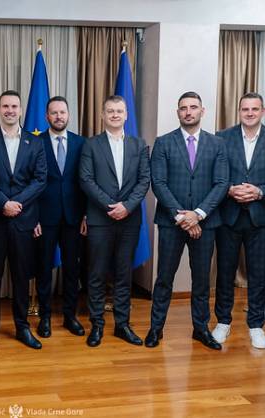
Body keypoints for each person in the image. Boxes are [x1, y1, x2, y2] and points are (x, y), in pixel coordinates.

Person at [146, 91, 229, 350]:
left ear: (202, 111)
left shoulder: (217, 144)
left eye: (193, 107)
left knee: (202, 280)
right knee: (164, 279)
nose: (188, 112)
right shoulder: (163, 143)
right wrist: (183, 217)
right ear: (178, 112)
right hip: (171, 223)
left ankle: (201, 329)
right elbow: (158, 183)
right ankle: (156, 328)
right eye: (183, 108)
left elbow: (221, 183)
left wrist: (198, 215)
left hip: (206, 223)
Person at [212, 92, 265, 349]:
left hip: (261, 216)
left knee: (257, 273)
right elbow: (215, 173)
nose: (249, 113)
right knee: (225, 272)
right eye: (245, 109)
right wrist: (229, 189)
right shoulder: (222, 137)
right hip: (229, 215)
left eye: (254, 109)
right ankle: (223, 322)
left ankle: (256, 325)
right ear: (239, 111)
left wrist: (259, 191)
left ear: (262, 111)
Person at [0, 90, 47, 352]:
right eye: (5, 106)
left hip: (23, 220)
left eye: (14, 106)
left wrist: (17, 203)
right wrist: (3, 203)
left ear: (21, 110)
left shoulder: (35, 142)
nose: (10, 110)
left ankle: (22, 326)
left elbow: (40, 179)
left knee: (21, 277)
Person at [79, 95, 151, 347]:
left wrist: (127, 207)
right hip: (100, 219)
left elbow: (144, 180)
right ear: (102, 115)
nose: (115, 115)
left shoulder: (139, 145)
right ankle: (97, 325)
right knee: (97, 274)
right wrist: (111, 206)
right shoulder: (91, 145)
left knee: (123, 274)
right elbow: (86, 180)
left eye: (119, 111)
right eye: (110, 111)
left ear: (126, 115)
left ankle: (122, 325)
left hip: (129, 220)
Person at [33, 96, 87, 338]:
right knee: (43, 267)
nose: (58, 116)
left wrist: (85, 214)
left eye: (62, 112)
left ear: (68, 115)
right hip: (44, 217)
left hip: (74, 217)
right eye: (54, 113)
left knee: (72, 269)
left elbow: (86, 181)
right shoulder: (35, 143)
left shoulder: (81, 143)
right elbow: (31, 180)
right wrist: (33, 217)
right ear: (47, 116)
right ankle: (44, 317)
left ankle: (69, 316)